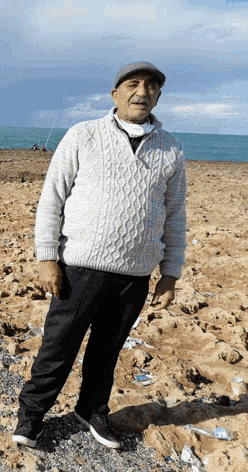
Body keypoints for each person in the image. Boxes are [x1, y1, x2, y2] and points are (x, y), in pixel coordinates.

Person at [12, 61, 187, 450]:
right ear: (115, 94)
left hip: (136, 275)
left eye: (152, 87)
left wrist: (170, 273)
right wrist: (46, 258)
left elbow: (175, 215)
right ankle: (32, 416)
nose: (142, 92)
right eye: (133, 84)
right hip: (79, 267)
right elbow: (51, 199)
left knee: (107, 350)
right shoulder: (83, 134)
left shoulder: (171, 148)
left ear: (159, 96)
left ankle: (91, 409)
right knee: (58, 347)